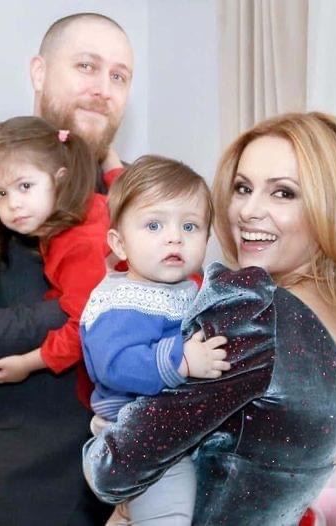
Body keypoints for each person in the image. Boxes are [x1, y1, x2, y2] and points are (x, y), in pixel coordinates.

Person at [83, 112, 336, 525]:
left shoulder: (255, 315)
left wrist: (100, 441)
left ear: (334, 209)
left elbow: (113, 469)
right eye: (243, 188)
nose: (248, 211)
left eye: (284, 193)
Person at [0, 13, 133, 526]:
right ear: (39, 72)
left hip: (134, 481)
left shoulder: (138, 197)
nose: (103, 88)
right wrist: (83, 305)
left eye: (119, 76)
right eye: (87, 66)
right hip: (17, 488)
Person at [80, 155, 229, 525]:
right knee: (172, 511)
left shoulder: (189, 288)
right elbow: (115, 365)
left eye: (190, 226)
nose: (174, 236)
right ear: (120, 244)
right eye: (154, 225)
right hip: (139, 438)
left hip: (175, 429)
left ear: (207, 239)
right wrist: (182, 360)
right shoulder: (123, 301)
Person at [0, 116, 112, 410]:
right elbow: (122, 189)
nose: (13, 204)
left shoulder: (79, 244)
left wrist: (27, 363)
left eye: (25, 186)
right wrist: (113, 165)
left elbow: (86, 327)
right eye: (1, 194)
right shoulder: (88, 207)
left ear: (60, 178)